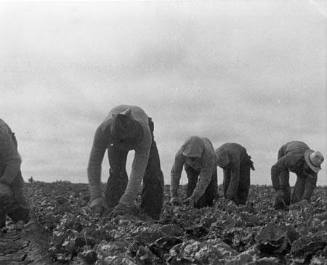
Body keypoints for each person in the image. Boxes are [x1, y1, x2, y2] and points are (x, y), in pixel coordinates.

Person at [87, 105, 164, 219]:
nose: (124, 147)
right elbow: (94, 163)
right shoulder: (103, 131)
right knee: (117, 172)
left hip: (143, 125)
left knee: (153, 172)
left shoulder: (144, 135)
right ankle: (112, 213)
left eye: (127, 144)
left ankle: (150, 216)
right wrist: (96, 197)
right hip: (114, 135)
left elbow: (137, 171)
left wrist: (126, 201)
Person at [271, 141, 324, 209]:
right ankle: (280, 206)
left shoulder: (313, 169)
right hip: (284, 152)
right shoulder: (292, 158)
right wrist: (277, 188)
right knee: (283, 183)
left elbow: (311, 185)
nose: (311, 169)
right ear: (306, 161)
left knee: (300, 190)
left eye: (312, 168)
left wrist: (306, 199)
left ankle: (292, 206)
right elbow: (274, 169)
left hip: (300, 155)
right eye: (310, 167)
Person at [170, 136, 218, 208]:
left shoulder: (209, 156)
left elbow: (205, 179)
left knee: (211, 189)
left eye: (194, 158)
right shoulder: (180, 154)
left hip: (209, 165)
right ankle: (191, 205)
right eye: (190, 157)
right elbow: (175, 173)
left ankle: (208, 206)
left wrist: (195, 197)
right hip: (189, 167)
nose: (192, 160)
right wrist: (174, 195)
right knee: (192, 183)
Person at [0, 119, 29, 228]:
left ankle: (23, 223)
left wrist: (4, 182)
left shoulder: (1, 131)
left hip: (8, 169)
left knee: (5, 194)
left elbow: (14, 160)